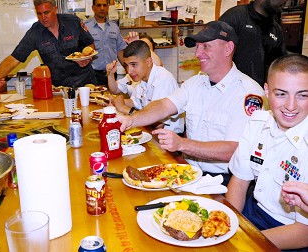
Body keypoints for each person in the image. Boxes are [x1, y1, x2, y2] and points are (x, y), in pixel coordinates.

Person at [118, 21, 265, 185]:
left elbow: (234, 149)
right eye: (197, 47)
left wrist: (182, 144)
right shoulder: (195, 83)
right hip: (189, 172)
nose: (197, 53)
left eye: (206, 47)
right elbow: (164, 105)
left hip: (224, 182)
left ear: (228, 48)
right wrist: (132, 120)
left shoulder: (247, 93)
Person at [226, 54, 308, 250]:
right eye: (281, 94)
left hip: (292, 235)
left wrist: (240, 241)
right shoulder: (257, 123)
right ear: (266, 91)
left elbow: (304, 234)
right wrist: (226, 225)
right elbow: (239, 182)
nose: (290, 106)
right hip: (253, 213)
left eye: (303, 95)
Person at [0, 0, 96, 88]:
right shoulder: (35, 32)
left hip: (85, 83)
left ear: (55, 9)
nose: (43, 18)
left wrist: (87, 58)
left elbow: (90, 44)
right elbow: (14, 59)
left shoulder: (73, 22)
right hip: (59, 88)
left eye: (46, 12)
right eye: (39, 13)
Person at [109, 40, 184, 134]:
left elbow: (158, 123)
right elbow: (137, 102)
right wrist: (117, 101)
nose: (129, 71)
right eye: (127, 65)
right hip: (152, 131)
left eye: (134, 64)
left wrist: (124, 108)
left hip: (169, 139)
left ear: (148, 62)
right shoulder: (142, 78)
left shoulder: (162, 79)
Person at [219, 0, 287, 87]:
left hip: (258, 94)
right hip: (229, 91)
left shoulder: (276, 29)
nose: (286, 1)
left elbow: (280, 65)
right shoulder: (236, 16)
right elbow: (215, 52)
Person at [84, 0, 127, 85]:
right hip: (92, 73)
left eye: (104, 5)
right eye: (99, 5)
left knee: (111, 97)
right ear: (93, 8)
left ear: (108, 7)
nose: (102, 8)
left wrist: (128, 68)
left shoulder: (114, 27)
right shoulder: (85, 27)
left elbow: (120, 50)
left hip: (111, 73)